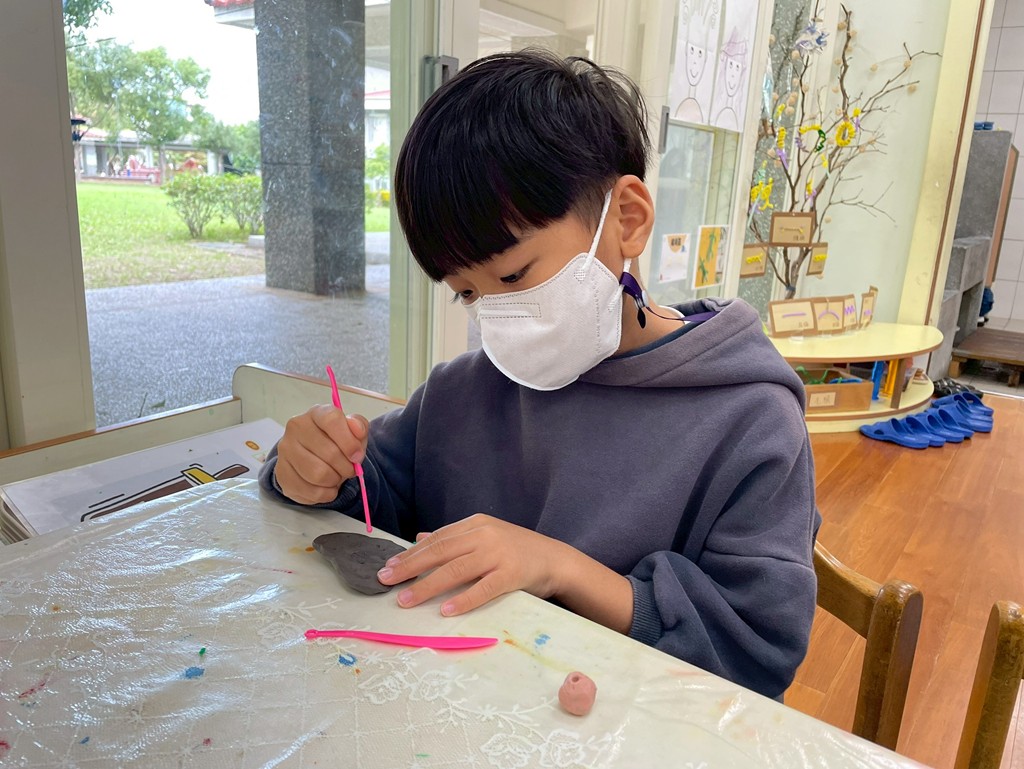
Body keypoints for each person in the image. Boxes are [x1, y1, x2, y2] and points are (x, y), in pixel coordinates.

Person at [259, 50, 819, 700]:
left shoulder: (748, 418)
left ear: (627, 219)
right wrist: (313, 469)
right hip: (468, 710)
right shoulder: (461, 393)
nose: (498, 312)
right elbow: (372, 496)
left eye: (515, 274)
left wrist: (557, 567)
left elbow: (755, 647)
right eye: (468, 293)